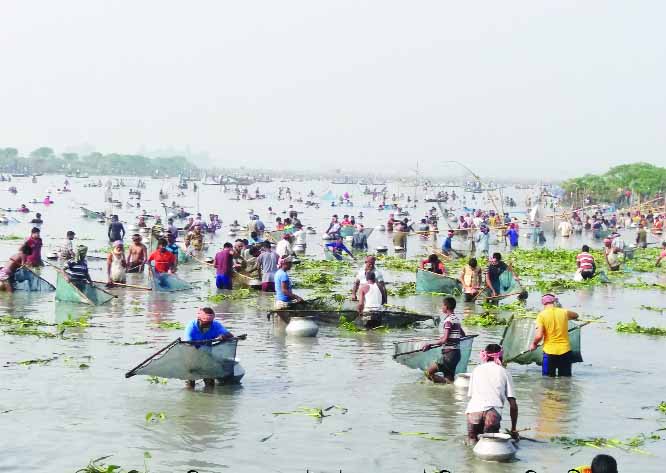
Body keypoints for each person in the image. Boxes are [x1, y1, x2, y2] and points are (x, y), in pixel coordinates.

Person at [465, 344, 518, 444]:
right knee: (490, 446)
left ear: (485, 356)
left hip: (473, 412)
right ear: (500, 357)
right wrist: (513, 429)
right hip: (492, 414)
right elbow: (513, 405)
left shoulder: (476, 370)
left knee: (471, 443)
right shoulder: (504, 372)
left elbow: (472, 396)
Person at [182, 307, 245, 388]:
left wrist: (222, 336)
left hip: (207, 357)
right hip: (192, 356)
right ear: (199, 319)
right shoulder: (191, 327)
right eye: (205, 323)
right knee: (190, 385)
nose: (208, 325)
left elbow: (229, 335)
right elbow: (189, 344)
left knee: (210, 384)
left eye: (210, 323)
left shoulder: (215, 325)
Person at [529, 294, 579, 377]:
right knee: (565, 379)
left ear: (543, 304)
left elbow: (539, 336)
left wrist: (534, 344)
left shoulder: (541, 315)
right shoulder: (563, 312)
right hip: (565, 351)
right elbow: (576, 315)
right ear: (554, 302)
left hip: (550, 352)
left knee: (547, 380)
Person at [422, 296, 465, 383]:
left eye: (442, 305)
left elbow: (445, 340)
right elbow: (463, 335)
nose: (442, 307)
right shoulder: (456, 319)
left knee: (428, 372)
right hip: (456, 355)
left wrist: (430, 344)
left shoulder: (448, 321)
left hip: (448, 355)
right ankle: (447, 391)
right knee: (449, 381)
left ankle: (442, 384)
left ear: (446, 307)